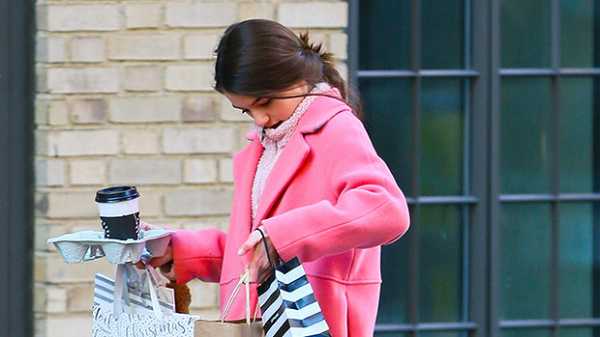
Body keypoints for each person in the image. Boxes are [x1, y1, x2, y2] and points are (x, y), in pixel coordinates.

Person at [141, 19, 410, 337]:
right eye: (245, 110)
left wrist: (282, 237)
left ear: (294, 77)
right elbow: (257, 247)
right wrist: (182, 251)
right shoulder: (265, 145)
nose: (260, 118)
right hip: (258, 324)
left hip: (316, 324)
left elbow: (387, 210)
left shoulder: (337, 128)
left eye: (264, 102)